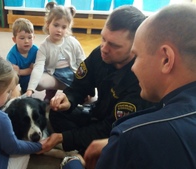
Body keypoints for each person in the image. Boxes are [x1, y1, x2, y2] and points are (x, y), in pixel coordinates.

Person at [40, 5, 156, 157]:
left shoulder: (141, 78)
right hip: (98, 111)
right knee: (57, 113)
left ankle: (87, 152)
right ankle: (85, 150)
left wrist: (65, 138)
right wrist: (68, 99)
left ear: (135, 46)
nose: (104, 48)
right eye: (103, 38)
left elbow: (112, 127)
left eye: (114, 45)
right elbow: (80, 86)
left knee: (114, 146)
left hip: (118, 129)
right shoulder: (100, 54)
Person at [94, 3, 196, 169]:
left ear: (166, 60)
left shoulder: (132, 136)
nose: (133, 67)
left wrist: (71, 162)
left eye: (137, 56)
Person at [25, 2, 85, 102]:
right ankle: (51, 92)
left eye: (64, 27)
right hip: (54, 75)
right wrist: (30, 89)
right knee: (39, 82)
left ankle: (68, 93)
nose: (59, 30)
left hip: (72, 73)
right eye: (56, 25)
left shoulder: (73, 42)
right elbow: (38, 66)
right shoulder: (44, 46)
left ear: (68, 28)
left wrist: (86, 83)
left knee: (88, 98)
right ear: (48, 24)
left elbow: (82, 62)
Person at [6, 18, 38, 94]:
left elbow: (32, 69)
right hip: (15, 76)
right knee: (9, 81)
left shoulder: (36, 51)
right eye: (22, 38)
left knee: (30, 78)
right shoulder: (12, 55)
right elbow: (10, 72)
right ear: (14, 39)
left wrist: (19, 71)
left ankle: (25, 92)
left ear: (34, 38)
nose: (26, 41)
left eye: (30, 37)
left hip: (27, 76)